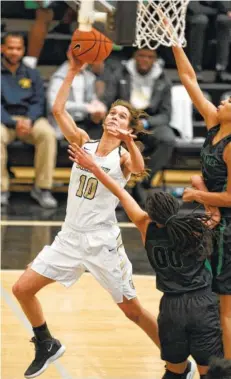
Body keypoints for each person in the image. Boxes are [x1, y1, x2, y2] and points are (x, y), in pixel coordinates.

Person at [12, 49, 166, 379]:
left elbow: (138, 169)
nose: (114, 118)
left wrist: (130, 142)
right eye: (112, 113)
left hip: (101, 241)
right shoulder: (85, 142)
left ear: (130, 128)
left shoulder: (125, 156)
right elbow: (56, 109)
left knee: (132, 310)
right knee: (22, 289)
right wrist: (72, 69)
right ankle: (46, 343)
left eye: (122, 117)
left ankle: (176, 361)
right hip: (70, 237)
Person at [67, 142, 223, 379]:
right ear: (176, 207)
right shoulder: (195, 228)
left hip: (171, 307)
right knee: (209, 372)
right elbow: (215, 215)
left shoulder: (145, 227)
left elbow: (120, 192)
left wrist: (95, 168)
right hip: (201, 303)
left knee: (175, 372)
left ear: (151, 214)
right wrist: (199, 187)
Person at [165, 19, 231, 359]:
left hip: (229, 226)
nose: (222, 100)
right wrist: (176, 41)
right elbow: (189, 79)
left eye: (229, 101)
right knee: (216, 301)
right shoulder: (213, 124)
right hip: (215, 219)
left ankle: (225, 368)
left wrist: (199, 197)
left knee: (225, 305)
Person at [100, 47, 176, 194]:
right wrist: (123, 121)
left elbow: (166, 115)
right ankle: (119, 185)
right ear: (134, 56)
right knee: (113, 137)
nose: (145, 60)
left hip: (150, 122)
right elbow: (109, 102)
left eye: (150, 56)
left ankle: (142, 181)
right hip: (125, 120)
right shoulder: (120, 74)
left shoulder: (163, 79)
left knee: (168, 139)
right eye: (141, 55)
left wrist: (146, 123)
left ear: (155, 59)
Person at [1, 32, 57, 208]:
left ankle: (42, 188)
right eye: (10, 47)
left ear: (23, 50)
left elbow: (39, 101)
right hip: (5, 121)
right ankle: (2, 189)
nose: (14, 52)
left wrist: (30, 120)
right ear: (2, 48)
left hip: (30, 120)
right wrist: (13, 122)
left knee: (48, 134)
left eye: (18, 48)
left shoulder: (32, 73)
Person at [47, 59, 106, 140]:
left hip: (85, 121)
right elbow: (54, 105)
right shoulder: (59, 77)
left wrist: (98, 107)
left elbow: (92, 99)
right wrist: (86, 107)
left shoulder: (89, 77)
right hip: (64, 123)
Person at [186, 0, 231, 83]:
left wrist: (226, 9)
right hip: (194, 12)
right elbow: (195, 8)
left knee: (224, 20)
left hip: (217, 11)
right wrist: (219, 11)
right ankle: (195, 68)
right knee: (200, 21)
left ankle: (221, 68)